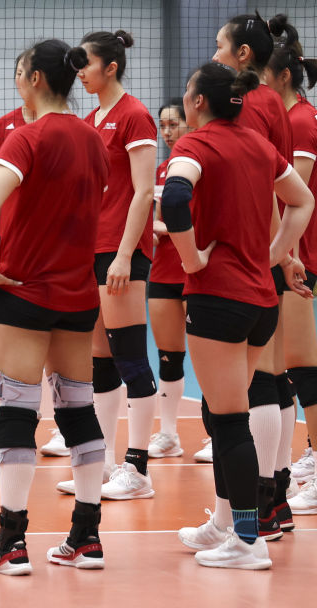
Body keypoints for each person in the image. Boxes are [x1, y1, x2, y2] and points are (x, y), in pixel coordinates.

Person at [0, 39, 109, 575]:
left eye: (18, 72)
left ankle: (11, 543)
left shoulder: (26, 137)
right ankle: (87, 537)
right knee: (78, 408)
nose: (15, 81)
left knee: (17, 407)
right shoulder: (93, 137)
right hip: (79, 293)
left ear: (33, 78)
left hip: (26, 290)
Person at [168, 62, 313, 569]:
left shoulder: (195, 146)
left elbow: (175, 198)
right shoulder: (258, 144)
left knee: (229, 421)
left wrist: (191, 260)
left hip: (218, 300)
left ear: (198, 102)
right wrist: (273, 255)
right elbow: (301, 200)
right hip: (261, 301)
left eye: (187, 92)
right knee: (220, 412)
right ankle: (227, 524)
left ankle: (249, 541)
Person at [59, 30, 158, 501]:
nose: (80, 73)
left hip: (122, 251)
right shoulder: (90, 120)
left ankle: (137, 470)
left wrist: (123, 252)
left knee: (130, 357)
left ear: (111, 67)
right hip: (91, 249)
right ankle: (102, 464)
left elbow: (144, 191)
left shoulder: (135, 115)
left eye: (87, 64)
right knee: (100, 362)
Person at [208, 11, 294, 539]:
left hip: (247, 259)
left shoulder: (249, 105)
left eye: (221, 46)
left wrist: (272, 253)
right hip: (267, 254)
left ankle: (257, 507)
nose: (215, 54)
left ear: (243, 54)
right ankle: (275, 500)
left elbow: (258, 185)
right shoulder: (271, 101)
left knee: (255, 382)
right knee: (274, 375)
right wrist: (283, 253)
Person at [265, 23, 317, 517]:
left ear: (282, 75)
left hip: (300, 256)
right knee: (284, 366)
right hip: (290, 253)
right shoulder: (286, 118)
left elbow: (292, 198)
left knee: (301, 364)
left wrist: (287, 256)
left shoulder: (300, 121)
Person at [147, 98, 191, 460]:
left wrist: (163, 227)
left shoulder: (203, 164)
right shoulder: (162, 170)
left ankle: (217, 433)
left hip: (197, 270)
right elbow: (158, 220)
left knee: (213, 357)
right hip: (163, 270)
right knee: (168, 357)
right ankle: (168, 435)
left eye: (173, 124)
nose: (166, 132)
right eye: (162, 125)